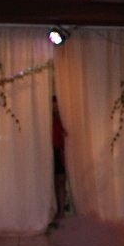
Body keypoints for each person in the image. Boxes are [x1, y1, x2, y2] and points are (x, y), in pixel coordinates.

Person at [51, 95, 69, 223]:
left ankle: (61, 211)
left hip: (59, 152)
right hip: (53, 152)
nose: (55, 108)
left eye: (56, 105)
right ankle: (58, 210)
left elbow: (65, 134)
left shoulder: (63, 120)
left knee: (60, 182)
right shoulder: (50, 119)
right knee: (55, 183)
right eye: (53, 105)